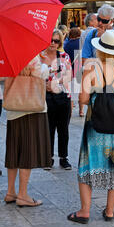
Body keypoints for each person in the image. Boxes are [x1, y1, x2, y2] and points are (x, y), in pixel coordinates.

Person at [68, 29, 114, 224]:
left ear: (100, 50)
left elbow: (83, 99)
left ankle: (85, 211)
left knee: (88, 166)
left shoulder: (91, 68)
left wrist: (96, 100)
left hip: (95, 125)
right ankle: (110, 211)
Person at [4, 56, 51, 207]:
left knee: (13, 150)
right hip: (31, 107)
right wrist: (46, 66)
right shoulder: (30, 54)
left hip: (14, 107)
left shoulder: (8, 55)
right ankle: (23, 194)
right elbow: (40, 73)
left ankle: (10, 192)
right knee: (27, 151)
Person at [41, 29, 73, 170]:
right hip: (45, 97)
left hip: (62, 96)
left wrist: (54, 83)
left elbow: (69, 76)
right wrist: (44, 85)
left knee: (63, 129)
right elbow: (34, 76)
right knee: (48, 128)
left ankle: (63, 157)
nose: (53, 43)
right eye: (51, 40)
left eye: (56, 41)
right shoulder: (39, 57)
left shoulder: (64, 56)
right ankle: (48, 157)